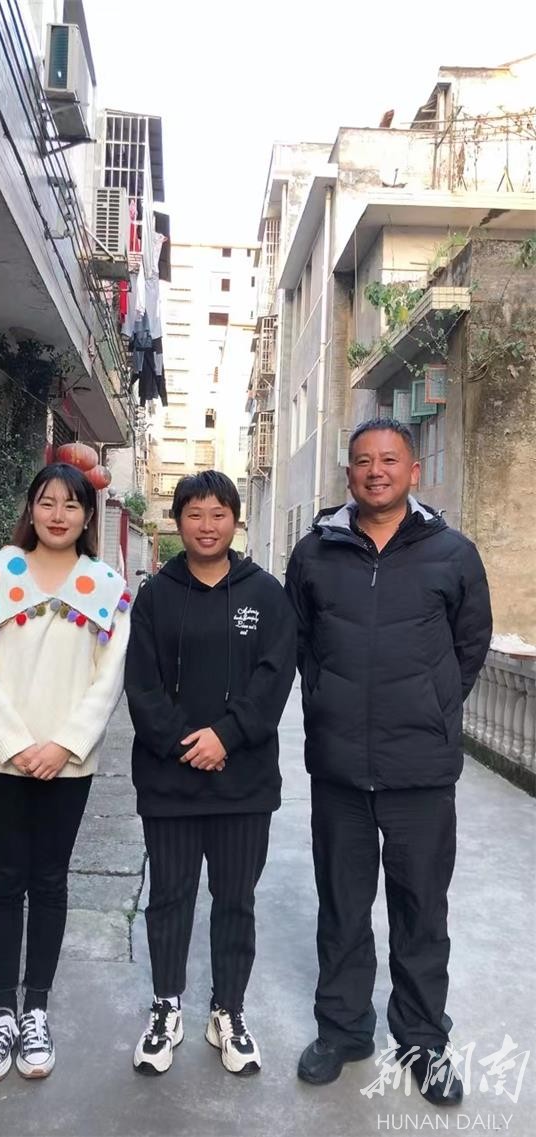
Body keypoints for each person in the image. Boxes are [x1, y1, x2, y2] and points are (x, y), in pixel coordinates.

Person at [285, 419, 492, 1105]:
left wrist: (431, 705)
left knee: (421, 911)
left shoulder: (453, 553)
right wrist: (327, 701)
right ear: (348, 473)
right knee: (342, 907)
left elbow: (470, 644)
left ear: (413, 471)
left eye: (390, 460)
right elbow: (300, 641)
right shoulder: (315, 552)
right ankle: (342, 1031)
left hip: (421, 770)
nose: (376, 471)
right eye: (363, 461)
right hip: (339, 768)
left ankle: (423, 1040)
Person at [0, 462, 130, 1083]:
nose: (58, 514)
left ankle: (36, 1009)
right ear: (31, 508)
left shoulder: (105, 587)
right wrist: (14, 744)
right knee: (4, 880)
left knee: (50, 880)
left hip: (67, 763)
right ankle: (3, 1010)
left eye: (71, 505)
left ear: (88, 516)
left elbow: (109, 678)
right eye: (47, 502)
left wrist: (65, 745)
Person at [125, 470, 296, 1076]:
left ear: (235, 521)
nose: (206, 526)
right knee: (169, 897)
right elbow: (142, 685)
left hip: (243, 783)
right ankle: (166, 1006)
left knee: (235, 900)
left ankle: (229, 1010)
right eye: (194, 514)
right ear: (177, 521)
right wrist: (185, 744)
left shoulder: (266, 594)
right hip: (169, 782)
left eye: (218, 514)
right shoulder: (155, 596)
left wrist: (226, 736)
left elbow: (275, 676)